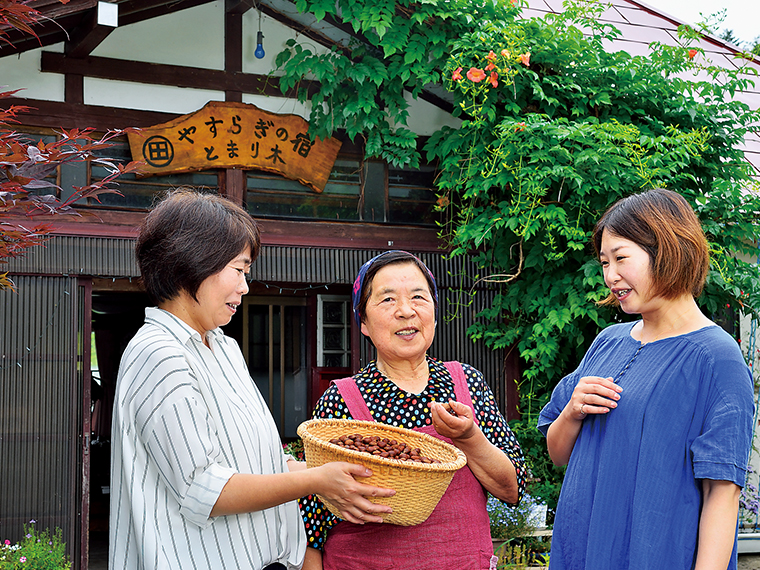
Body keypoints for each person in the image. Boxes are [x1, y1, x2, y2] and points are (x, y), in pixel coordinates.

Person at [109, 189, 395, 570]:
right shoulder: (159, 353)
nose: (245, 286)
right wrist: (318, 481)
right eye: (239, 270)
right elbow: (205, 489)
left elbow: (265, 462)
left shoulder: (223, 347)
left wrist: (346, 471)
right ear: (193, 262)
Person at [537, 188, 754, 570]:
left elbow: (722, 493)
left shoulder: (717, 358)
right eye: (604, 262)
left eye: (621, 258)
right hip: (582, 552)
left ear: (669, 250)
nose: (610, 275)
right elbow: (558, 455)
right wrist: (571, 411)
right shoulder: (608, 342)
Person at [299, 250, 527, 570]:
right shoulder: (341, 400)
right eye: (388, 300)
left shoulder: (465, 383)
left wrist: (469, 437)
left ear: (434, 311)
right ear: (363, 321)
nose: (406, 311)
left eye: (419, 297)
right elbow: (310, 521)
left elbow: (513, 488)